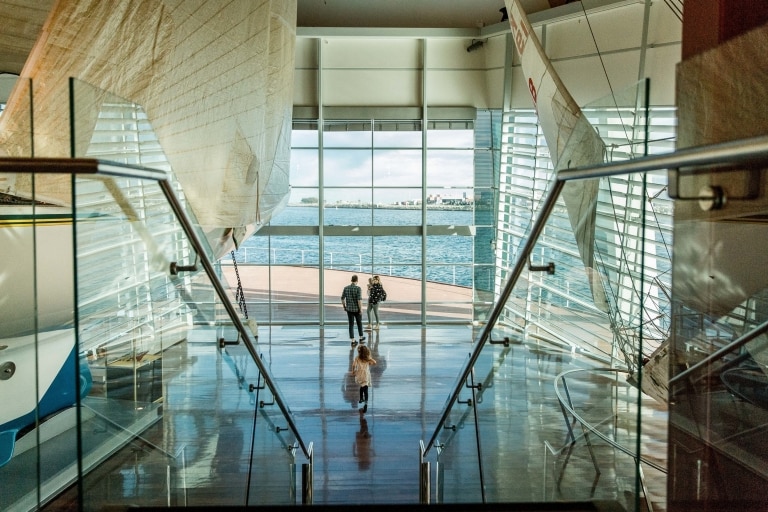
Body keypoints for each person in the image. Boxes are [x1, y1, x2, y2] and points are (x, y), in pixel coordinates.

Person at [341, 274, 365, 345]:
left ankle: (353, 340)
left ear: (351, 280)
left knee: (351, 324)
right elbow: (359, 300)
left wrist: (344, 306)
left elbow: (342, 298)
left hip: (349, 309)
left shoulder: (346, 288)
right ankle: (361, 337)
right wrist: (361, 309)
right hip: (357, 309)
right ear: (357, 280)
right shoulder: (358, 288)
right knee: (359, 323)